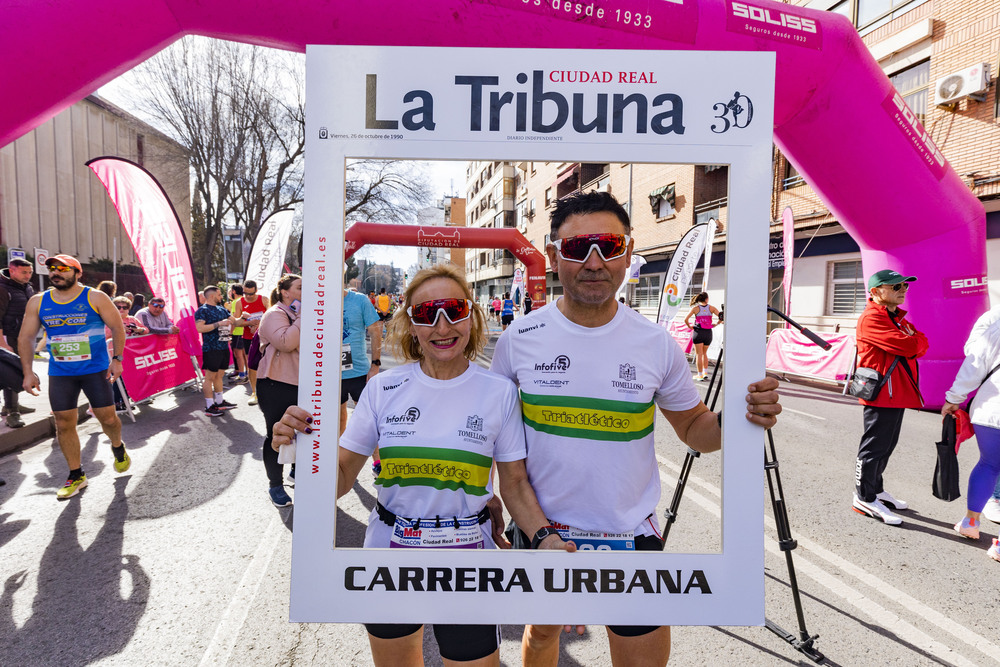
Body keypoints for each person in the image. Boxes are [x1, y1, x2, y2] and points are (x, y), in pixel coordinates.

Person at [486, 191, 780, 666]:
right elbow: (505, 459)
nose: (595, 262)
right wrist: (533, 530)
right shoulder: (519, 340)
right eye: (579, 248)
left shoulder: (655, 343)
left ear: (628, 251)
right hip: (544, 530)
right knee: (542, 635)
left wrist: (741, 419)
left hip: (630, 535)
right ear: (556, 255)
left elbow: (695, 430)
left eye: (609, 245)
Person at [273, 264, 573, 666]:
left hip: (468, 557)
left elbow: (515, 484)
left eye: (453, 309)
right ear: (412, 325)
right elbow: (341, 476)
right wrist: (301, 448)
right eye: (427, 314)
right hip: (391, 555)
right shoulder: (383, 389)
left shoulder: (498, 392)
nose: (442, 325)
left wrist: (546, 540)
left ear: (472, 315)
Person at [17, 254, 131, 499]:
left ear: (78, 273)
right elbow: (26, 337)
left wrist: (117, 359)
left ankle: (117, 446)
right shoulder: (38, 301)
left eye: (62, 268)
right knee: (63, 422)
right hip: (61, 372)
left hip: (96, 369)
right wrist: (28, 371)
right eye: (52, 269)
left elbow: (117, 327)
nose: (56, 272)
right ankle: (76, 474)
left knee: (108, 419)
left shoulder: (95, 297)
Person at [851, 269, 927, 526]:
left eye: (904, 285)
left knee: (886, 445)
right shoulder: (872, 318)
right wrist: (913, 341)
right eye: (895, 287)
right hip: (881, 391)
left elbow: (923, 342)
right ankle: (863, 496)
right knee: (873, 447)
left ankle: (877, 489)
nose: (902, 289)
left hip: (897, 392)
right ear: (875, 291)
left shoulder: (897, 319)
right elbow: (911, 345)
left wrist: (913, 340)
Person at [940, 311, 1000, 562]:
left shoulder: (995, 322)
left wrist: (954, 398)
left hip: (991, 410)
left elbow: (975, 359)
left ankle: (970, 521)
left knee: (988, 464)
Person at [256, 274, 301, 508]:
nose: (307, 291)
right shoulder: (275, 314)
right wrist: (304, 316)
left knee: (301, 433)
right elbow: (285, 342)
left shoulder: (297, 315)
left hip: (302, 384)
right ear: (285, 292)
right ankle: (275, 485)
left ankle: (296, 473)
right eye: (300, 287)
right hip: (275, 385)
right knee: (276, 434)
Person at [341, 279, 382, 476]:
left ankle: (379, 462)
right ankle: (340, 463)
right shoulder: (317, 300)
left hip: (358, 370)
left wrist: (376, 363)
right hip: (327, 373)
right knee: (337, 418)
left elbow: (375, 329)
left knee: (368, 420)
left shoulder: (359, 300)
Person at [0, 257, 36, 427]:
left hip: (23, 335)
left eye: (29, 272)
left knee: (20, 370)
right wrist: (3, 343)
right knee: (10, 372)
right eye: (24, 272)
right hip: (8, 336)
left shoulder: (26, 287)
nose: (28, 275)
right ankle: (12, 412)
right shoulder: (2, 288)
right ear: (11, 270)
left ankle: (12, 405)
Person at [195, 286, 238, 418]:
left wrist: (248, 319)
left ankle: (219, 402)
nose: (221, 297)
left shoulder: (221, 309)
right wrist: (219, 324)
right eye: (219, 295)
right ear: (213, 296)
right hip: (211, 348)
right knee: (209, 377)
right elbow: (200, 328)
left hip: (223, 346)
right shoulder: (202, 310)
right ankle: (209, 406)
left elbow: (235, 321)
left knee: (219, 375)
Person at [235, 279, 269, 405]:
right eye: (245, 293)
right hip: (249, 338)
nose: (248, 296)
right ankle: (254, 393)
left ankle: (267, 391)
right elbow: (236, 322)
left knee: (268, 363)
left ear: (256, 291)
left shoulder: (264, 300)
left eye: (251, 294)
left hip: (265, 337)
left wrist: (260, 324)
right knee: (252, 366)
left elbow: (273, 316)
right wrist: (248, 322)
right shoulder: (240, 302)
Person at [684, 292, 720, 381]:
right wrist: (716, 324)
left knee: (698, 354)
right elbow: (721, 316)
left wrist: (690, 326)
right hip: (708, 333)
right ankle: (705, 373)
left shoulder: (695, 309)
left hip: (698, 332)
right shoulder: (712, 308)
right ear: (706, 299)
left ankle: (699, 375)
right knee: (704, 354)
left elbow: (686, 319)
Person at [226, 284, 248, 383]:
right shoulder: (244, 300)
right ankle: (246, 374)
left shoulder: (236, 302)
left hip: (238, 331)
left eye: (231, 291)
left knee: (238, 354)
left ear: (234, 291)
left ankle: (242, 375)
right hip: (244, 331)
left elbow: (235, 319)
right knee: (244, 355)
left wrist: (230, 334)